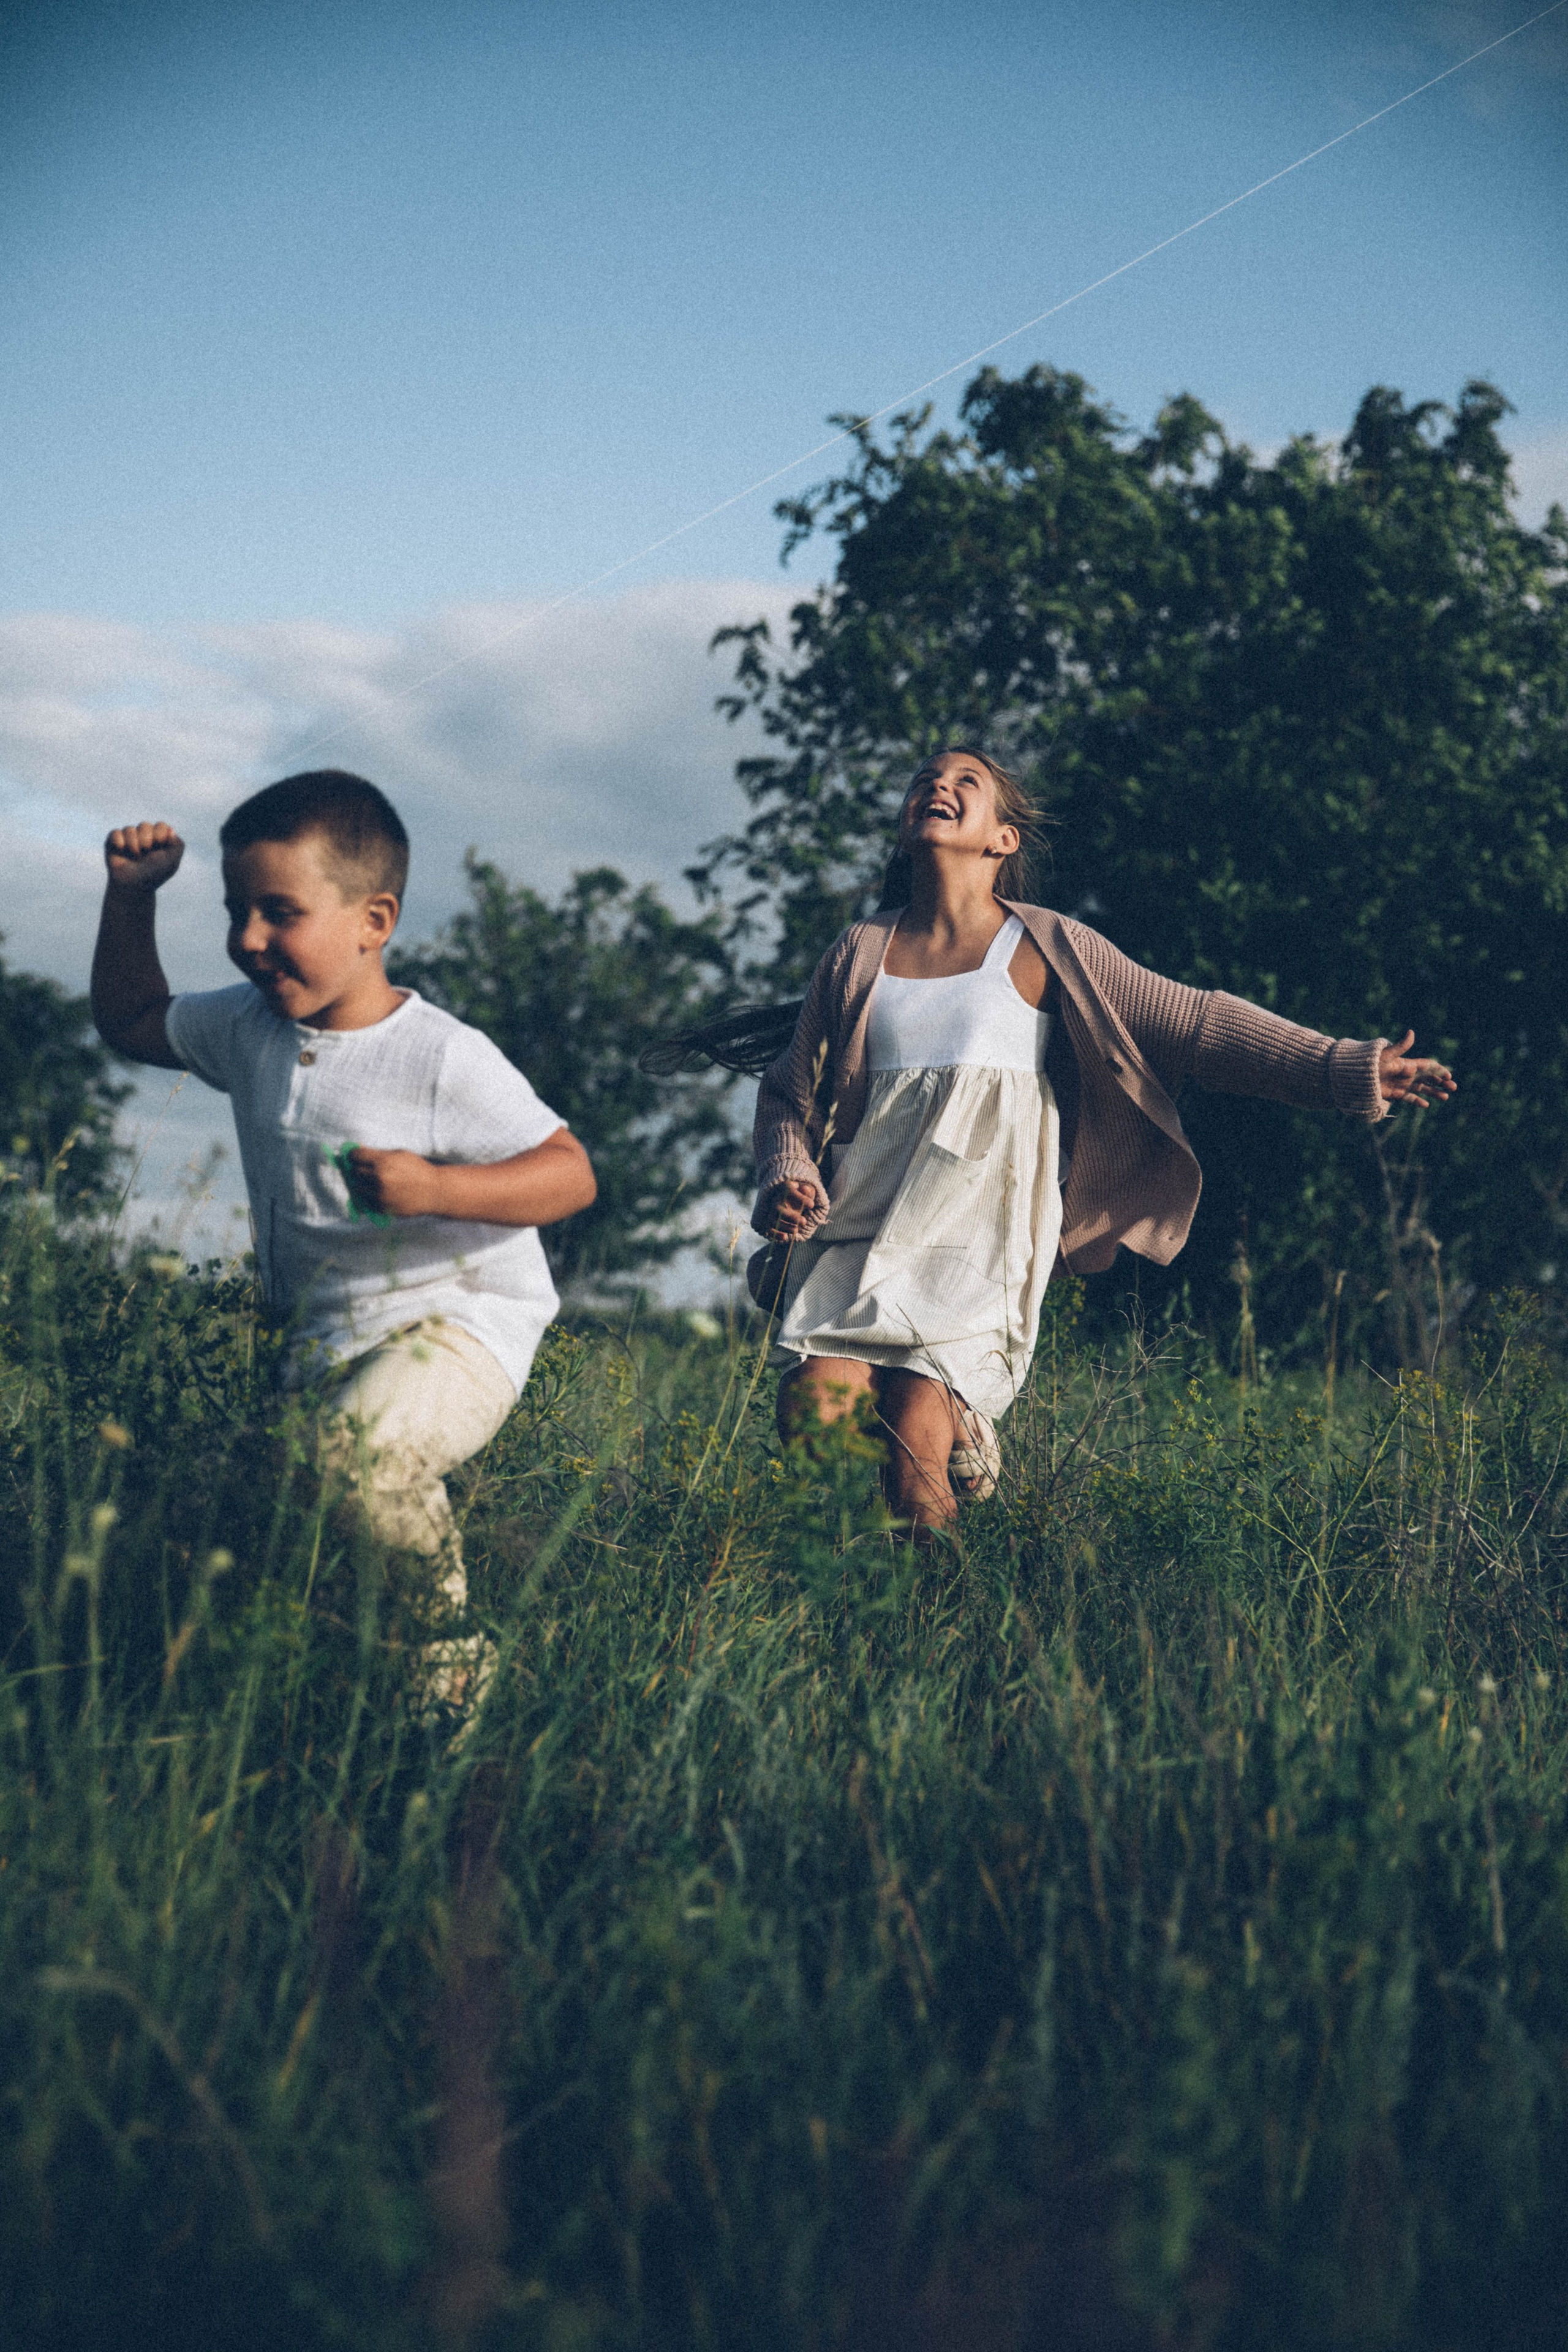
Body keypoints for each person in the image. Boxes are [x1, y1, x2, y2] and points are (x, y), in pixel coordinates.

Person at [725, 746, 1454, 1540]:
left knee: (912, 1452)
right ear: (907, 826)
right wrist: (786, 1173)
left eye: (965, 782)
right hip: (863, 1232)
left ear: (1003, 840)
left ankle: (921, 1628)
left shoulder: (1048, 951)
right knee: (810, 1420)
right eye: (925, 780)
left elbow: (1198, 1025)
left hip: (980, 1249)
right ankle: (857, 1588)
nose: (939, 786)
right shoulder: (859, 952)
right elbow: (787, 1093)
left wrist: (1344, 1067)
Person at [90, 768, 596, 1706]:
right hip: (323, 1339)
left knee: (357, 1462)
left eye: (280, 912)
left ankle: (447, 1686)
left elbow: (570, 1173)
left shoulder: (439, 1053)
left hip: (461, 1323)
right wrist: (130, 898)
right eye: (237, 909)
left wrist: (439, 1186)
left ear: (375, 921)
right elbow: (129, 1020)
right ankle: (303, 1689)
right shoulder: (245, 1028)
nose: (247, 939)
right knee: (224, 1512)